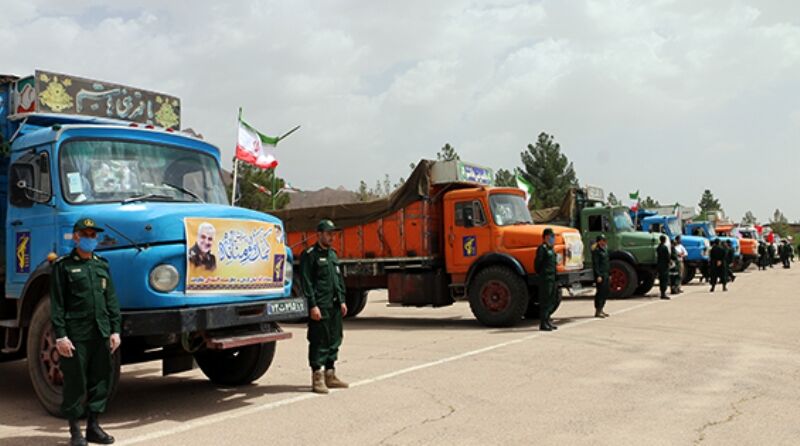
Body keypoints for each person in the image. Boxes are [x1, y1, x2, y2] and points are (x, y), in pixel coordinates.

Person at [51, 217, 120, 446]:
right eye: (87, 234)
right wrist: (60, 335)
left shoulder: (102, 265)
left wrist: (115, 330)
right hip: (76, 334)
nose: (91, 238)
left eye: (94, 235)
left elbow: (110, 301)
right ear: (76, 236)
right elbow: (57, 305)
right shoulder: (63, 266)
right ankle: (75, 432)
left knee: (101, 381)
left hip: (100, 333)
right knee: (75, 382)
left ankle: (93, 427)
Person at [299, 219, 349, 394]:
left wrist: (342, 300)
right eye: (328, 233)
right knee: (319, 340)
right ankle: (317, 377)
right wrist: (313, 305)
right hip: (320, 305)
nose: (331, 237)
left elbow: (338, 280)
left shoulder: (333, 255)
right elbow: (306, 282)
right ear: (319, 234)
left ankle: (330, 374)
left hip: (334, 305)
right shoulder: (309, 255)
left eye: (333, 233)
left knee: (334, 339)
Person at [535, 227, 559, 330]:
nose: (553, 238)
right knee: (545, 301)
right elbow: (537, 264)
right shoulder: (542, 248)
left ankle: (548, 320)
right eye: (551, 236)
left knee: (551, 300)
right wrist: (543, 274)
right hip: (545, 278)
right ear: (545, 237)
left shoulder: (551, 249)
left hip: (552, 277)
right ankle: (543, 323)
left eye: (553, 236)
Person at [591, 234, 610, 318]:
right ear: (599, 241)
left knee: (605, 292)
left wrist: (609, 274)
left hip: (606, 274)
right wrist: (598, 275)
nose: (604, 242)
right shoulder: (596, 251)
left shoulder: (605, 250)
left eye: (605, 240)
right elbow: (596, 264)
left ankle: (602, 309)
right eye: (603, 240)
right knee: (600, 292)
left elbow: (607, 263)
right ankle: (597, 310)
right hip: (600, 275)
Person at [656, 235, 671, 300]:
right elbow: (667, 257)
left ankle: (662, 292)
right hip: (664, 265)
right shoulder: (664, 247)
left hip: (659, 264)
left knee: (661, 279)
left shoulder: (658, 247)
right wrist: (669, 262)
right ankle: (663, 293)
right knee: (664, 279)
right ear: (664, 240)